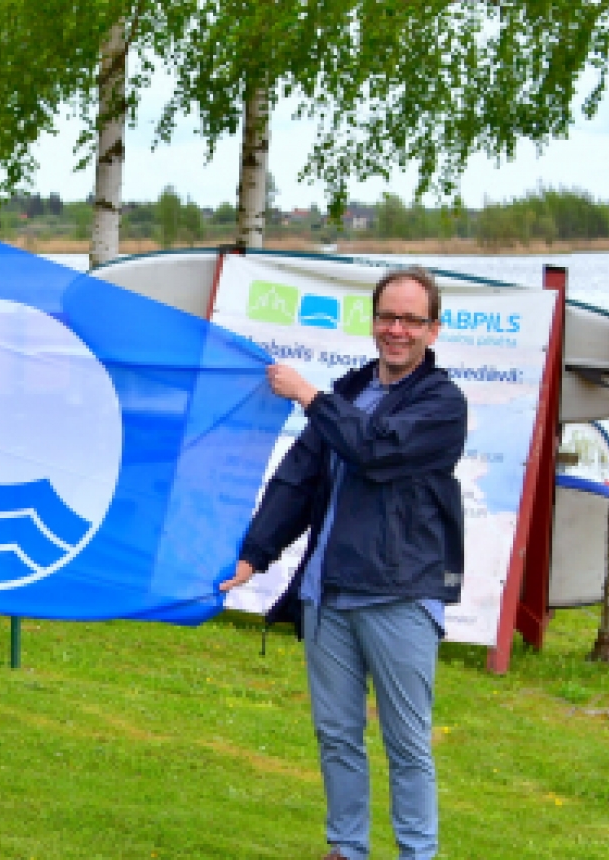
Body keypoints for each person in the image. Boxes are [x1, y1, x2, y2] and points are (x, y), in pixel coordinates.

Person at [220, 267, 467, 860]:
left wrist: (308, 396)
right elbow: (298, 479)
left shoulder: (442, 404)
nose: (397, 330)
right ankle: (347, 849)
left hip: (399, 595)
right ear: (374, 320)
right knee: (336, 737)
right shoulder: (350, 393)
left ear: (433, 329)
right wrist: (256, 554)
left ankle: (417, 854)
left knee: (407, 744)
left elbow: (375, 450)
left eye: (411, 319)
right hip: (327, 596)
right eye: (388, 316)